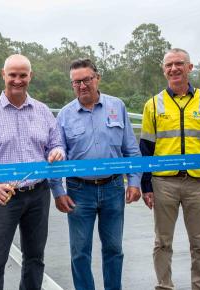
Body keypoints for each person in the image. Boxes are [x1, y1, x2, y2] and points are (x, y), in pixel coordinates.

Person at [0, 54, 65, 290]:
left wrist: (57, 152)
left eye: (23, 75)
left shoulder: (42, 111)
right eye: (12, 75)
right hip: (3, 195)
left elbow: (56, 143)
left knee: (34, 258)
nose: (17, 80)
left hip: (38, 194)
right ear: (3, 75)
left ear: (30, 76)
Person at [140, 48, 200, 290]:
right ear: (163, 70)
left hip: (198, 183)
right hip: (163, 183)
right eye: (169, 65)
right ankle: (164, 286)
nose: (174, 68)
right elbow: (146, 148)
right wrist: (145, 185)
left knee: (199, 244)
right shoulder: (153, 104)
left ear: (189, 68)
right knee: (162, 243)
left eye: (179, 63)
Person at [54, 58, 141, 290]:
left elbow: (131, 149)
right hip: (79, 191)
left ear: (97, 78)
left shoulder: (117, 107)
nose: (82, 85)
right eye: (76, 82)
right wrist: (58, 191)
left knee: (114, 249)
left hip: (113, 188)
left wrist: (134, 181)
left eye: (87, 80)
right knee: (80, 252)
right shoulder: (64, 115)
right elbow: (55, 155)